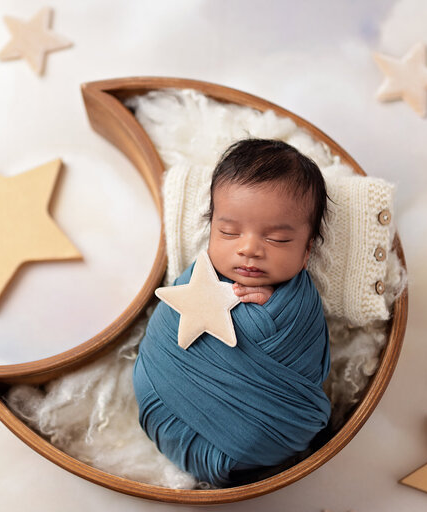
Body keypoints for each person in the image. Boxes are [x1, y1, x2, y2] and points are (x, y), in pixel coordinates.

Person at [132, 138, 332, 487]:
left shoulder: (300, 305)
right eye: (229, 232)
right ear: (212, 229)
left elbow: (308, 357)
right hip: (167, 405)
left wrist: (273, 311)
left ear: (306, 251)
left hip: (269, 435)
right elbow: (164, 332)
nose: (250, 248)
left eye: (278, 240)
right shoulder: (194, 280)